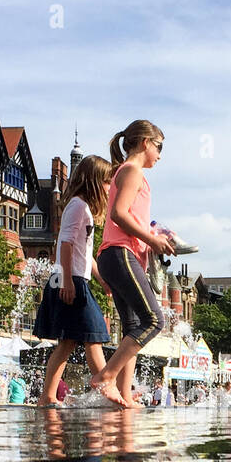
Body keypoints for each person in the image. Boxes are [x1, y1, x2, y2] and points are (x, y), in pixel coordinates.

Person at [89, 120, 175, 408]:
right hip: (119, 254)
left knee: (133, 327)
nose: (160, 155)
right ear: (144, 143)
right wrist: (152, 241)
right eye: (159, 146)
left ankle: (124, 395)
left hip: (117, 256)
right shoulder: (132, 171)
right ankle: (107, 376)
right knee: (154, 320)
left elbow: (129, 217)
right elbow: (118, 214)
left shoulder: (127, 173)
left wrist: (155, 236)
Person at [35, 155, 115, 406]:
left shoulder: (83, 208)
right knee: (94, 333)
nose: (109, 188)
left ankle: (48, 396)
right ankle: (107, 388)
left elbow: (84, 252)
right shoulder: (78, 206)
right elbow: (66, 244)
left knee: (69, 342)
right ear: (94, 181)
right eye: (106, 182)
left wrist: (101, 279)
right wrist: (68, 281)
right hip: (70, 280)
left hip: (74, 278)